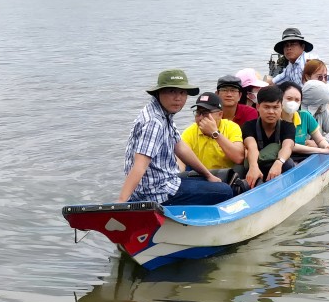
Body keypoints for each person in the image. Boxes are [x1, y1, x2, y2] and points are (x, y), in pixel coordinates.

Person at [118, 69, 233, 206]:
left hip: (164, 182)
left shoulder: (163, 113)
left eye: (182, 92)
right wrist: (121, 202)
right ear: (159, 93)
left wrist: (208, 175)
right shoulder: (154, 122)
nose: (178, 98)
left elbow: (180, 147)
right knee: (225, 191)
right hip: (157, 192)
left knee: (208, 179)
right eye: (172, 91)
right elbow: (140, 165)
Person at [241, 85, 297, 189]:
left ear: (281, 108)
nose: (271, 112)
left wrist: (279, 163)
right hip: (257, 164)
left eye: (275, 107)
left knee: (288, 163)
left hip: (277, 165)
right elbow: (251, 147)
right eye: (266, 107)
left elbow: (287, 147)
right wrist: (253, 167)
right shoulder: (248, 125)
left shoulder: (288, 126)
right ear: (258, 107)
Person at [180, 91, 247, 173]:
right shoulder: (190, 131)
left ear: (220, 114)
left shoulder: (231, 127)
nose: (201, 118)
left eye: (205, 113)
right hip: (201, 175)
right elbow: (180, 158)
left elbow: (239, 158)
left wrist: (215, 133)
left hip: (226, 175)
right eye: (198, 113)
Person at [280, 82, 329, 158]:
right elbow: (289, 145)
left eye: (297, 100)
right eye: (289, 99)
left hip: (303, 156)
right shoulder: (275, 119)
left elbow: (320, 140)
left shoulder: (305, 116)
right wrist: (321, 150)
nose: (293, 103)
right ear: (280, 99)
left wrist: (327, 147)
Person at [302, 59, 329, 140]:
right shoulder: (300, 103)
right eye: (319, 77)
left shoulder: (322, 107)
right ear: (308, 77)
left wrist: (321, 142)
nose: (323, 80)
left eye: (326, 77)